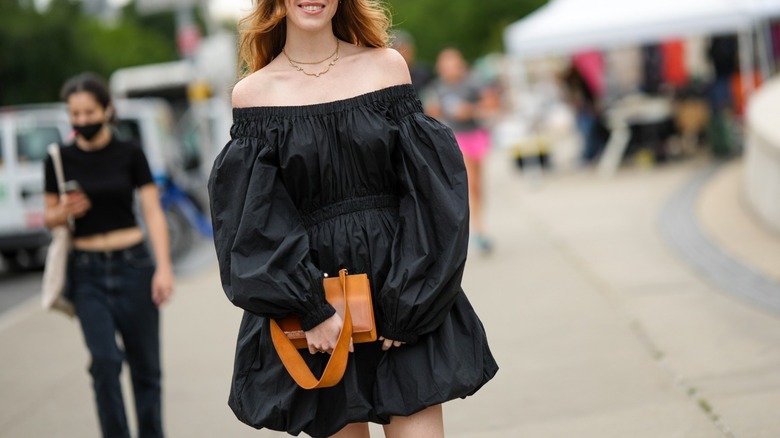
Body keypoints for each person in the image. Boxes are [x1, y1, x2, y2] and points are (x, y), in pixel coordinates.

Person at [208, 1, 498, 437]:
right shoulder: (254, 94)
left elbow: (430, 194)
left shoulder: (385, 67)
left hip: (401, 285)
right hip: (318, 311)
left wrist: (411, 301)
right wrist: (309, 307)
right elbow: (251, 223)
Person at [43, 72, 174, 438]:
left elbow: (152, 211)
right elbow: (48, 216)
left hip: (134, 266)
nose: (82, 121)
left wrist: (163, 268)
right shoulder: (58, 158)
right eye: (75, 114)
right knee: (104, 362)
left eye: (88, 112)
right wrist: (66, 210)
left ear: (107, 109)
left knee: (146, 370)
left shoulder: (130, 152)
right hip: (86, 273)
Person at [423, 47, 494, 253]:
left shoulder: (472, 81)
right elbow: (431, 112)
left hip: (475, 135)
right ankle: (477, 230)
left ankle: (479, 224)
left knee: (477, 185)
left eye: (453, 64)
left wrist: (469, 110)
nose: (450, 69)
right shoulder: (437, 87)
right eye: (446, 65)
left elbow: (490, 103)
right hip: (455, 138)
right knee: (469, 182)